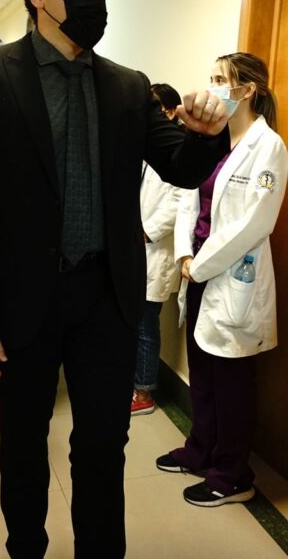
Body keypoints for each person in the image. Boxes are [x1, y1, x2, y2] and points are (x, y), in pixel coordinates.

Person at [0, 0, 231, 557]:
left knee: (102, 444)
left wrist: (207, 135)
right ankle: (27, 547)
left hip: (106, 299)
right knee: (22, 442)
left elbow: (180, 166)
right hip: (21, 300)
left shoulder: (126, 85)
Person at [156, 53, 288, 507]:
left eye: (220, 80)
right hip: (198, 270)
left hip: (231, 277)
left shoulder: (268, 146)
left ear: (247, 90)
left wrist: (201, 265)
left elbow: (256, 221)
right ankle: (200, 450)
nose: (212, 87)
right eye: (210, 78)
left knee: (232, 382)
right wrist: (185, 254)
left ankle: (233, 474)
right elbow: (186, 198)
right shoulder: (213, 139)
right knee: (203, 373)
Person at [133, 83, 187, 416]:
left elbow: (181, 201)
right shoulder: (145, 143)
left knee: (144, 325)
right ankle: (132, 382)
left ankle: (143, 392)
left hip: (154, 248)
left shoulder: (178, 147)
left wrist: (146, 231)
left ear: (168, 111)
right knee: (134, 321)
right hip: (135, 250)